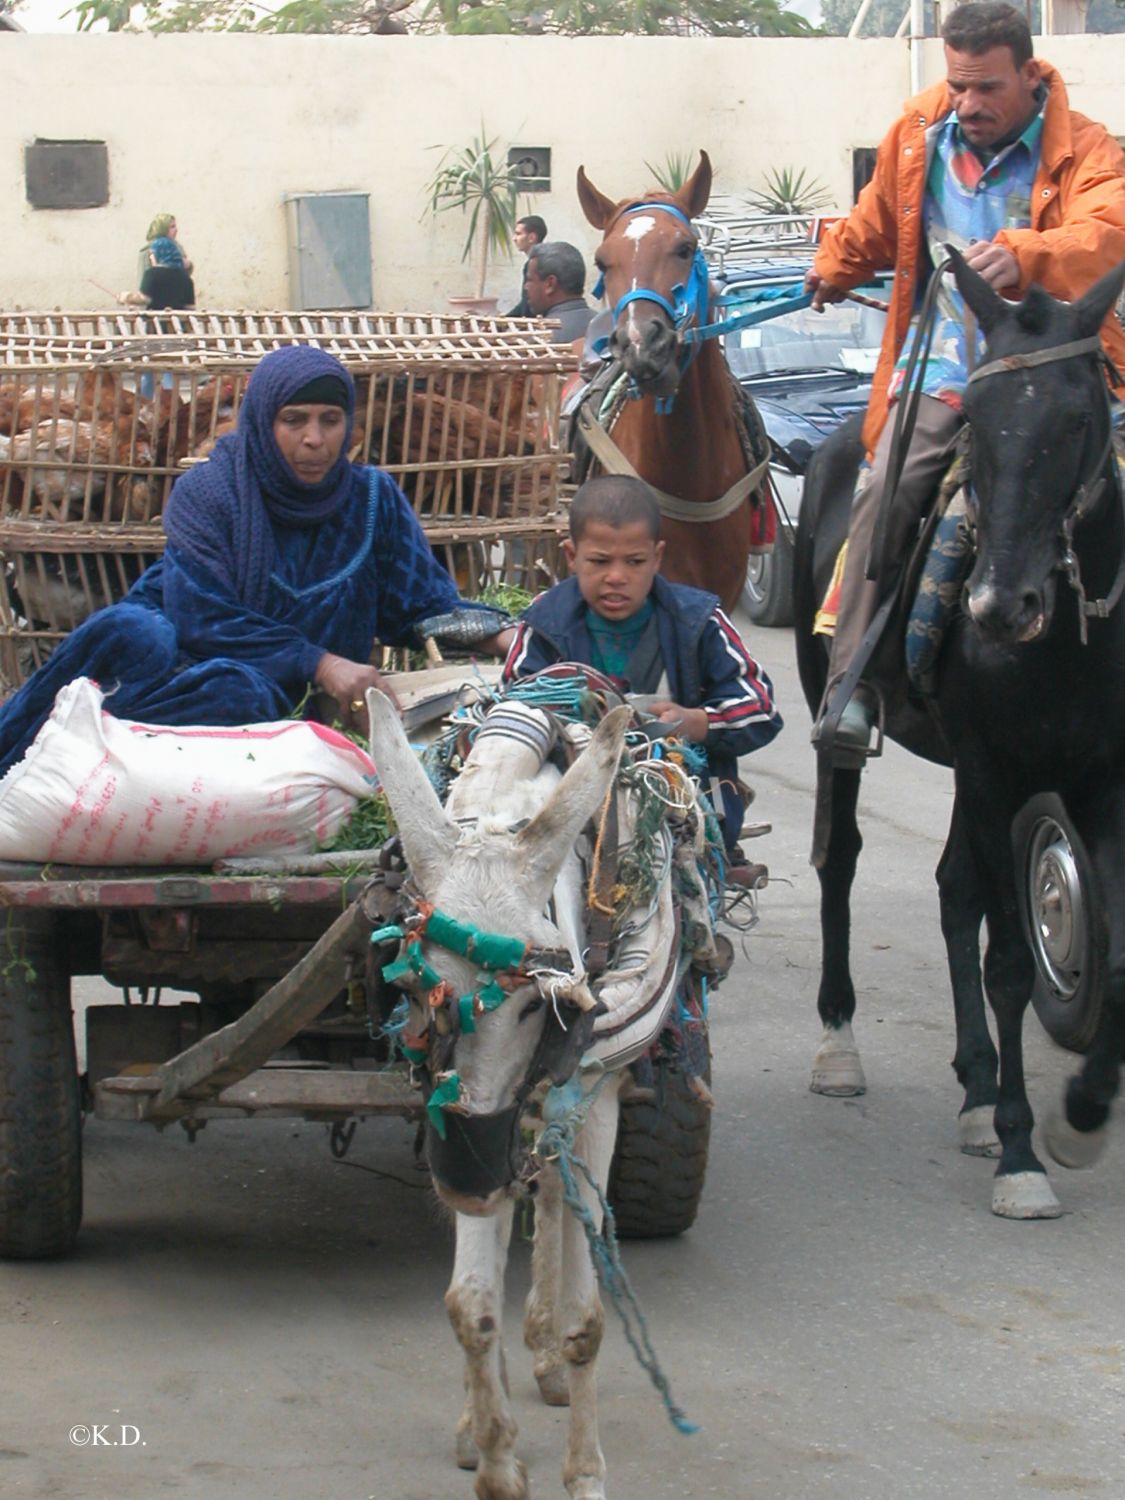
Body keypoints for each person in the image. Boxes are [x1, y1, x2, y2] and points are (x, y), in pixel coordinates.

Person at [805, 1, 1125, 757]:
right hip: (950, 368)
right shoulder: (915, 140)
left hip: (1060, 376)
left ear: (1028, 75)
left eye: (987, 88)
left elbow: (1105, 234)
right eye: (958, 87)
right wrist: (832, 266)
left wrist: (1025, 254)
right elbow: (876, 222)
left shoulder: (1088, 151)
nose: (969, 104)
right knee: (885, 491)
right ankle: (850, 685)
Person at [0, 345, 514, 778]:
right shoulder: (211, 492)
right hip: (186, 668)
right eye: (294, 421)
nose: (314, 439)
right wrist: (321, 662)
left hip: (289, 704)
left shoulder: (372, 500)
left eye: (330, 421)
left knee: (254, 698)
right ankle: (54, 746)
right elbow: (202, 616)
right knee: (164, 648)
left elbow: (419, 603)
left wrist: (503, 636)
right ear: (263, 422)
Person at [501, 474, 781, 883]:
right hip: (564, 809)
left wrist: (698, 722)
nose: (617, 577)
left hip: (682, 809)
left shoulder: (698, 621)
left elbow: (760, 707)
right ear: (571, 556)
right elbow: (509, 706)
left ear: (657, 557)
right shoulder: (544, 622)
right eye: (599, 562)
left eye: (634, 562)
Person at [119, 212, 196, 312]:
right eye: (172, 227)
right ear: (162, 228)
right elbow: (144, 283)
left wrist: (188, 265)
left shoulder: (177, 248)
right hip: (155, 307)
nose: (176, 230)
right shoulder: (148, 251)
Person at [524, 242, 596, 345]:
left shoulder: (538, 341)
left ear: (550, 284)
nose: (525, 287)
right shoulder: (609, 327)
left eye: (529, 280)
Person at [505, 214, 548, 317]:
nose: (514, 239)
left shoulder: (534, 265)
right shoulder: (543, 260)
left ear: (531, 237)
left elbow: (528, 305)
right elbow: (524, 303)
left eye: (518, 234)